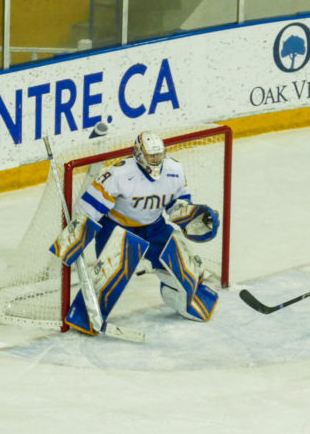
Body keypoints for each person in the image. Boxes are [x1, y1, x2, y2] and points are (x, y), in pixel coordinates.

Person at [49, 131, 220, 335]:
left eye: (159, 155)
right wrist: (75, 239)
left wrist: (192, 216)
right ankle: (86, 316)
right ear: (139, 154)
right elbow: (87, 209)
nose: (156, 160)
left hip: (155, 228)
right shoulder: (117, 175)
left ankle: (183, 300)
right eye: (151, 156)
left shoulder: (174, 170)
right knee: (109, 276)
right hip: (117, 229)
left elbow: (176, 205)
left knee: (185, 268)